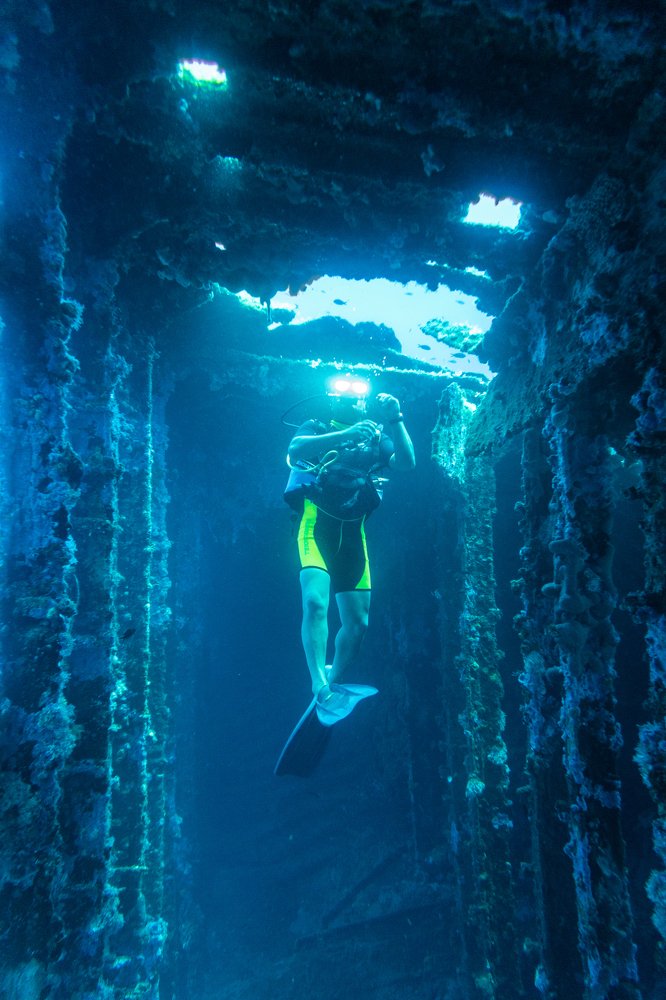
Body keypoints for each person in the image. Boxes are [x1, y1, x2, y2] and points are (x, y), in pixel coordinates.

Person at [284, 377, 415, 718]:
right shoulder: (317, 425)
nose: (352, 398)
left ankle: (333, 680)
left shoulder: (375, 437)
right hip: (316, 525)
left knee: (358, 624)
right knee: (315, 602)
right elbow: (295, 450)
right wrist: (344, 435)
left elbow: (406, 463)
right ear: (333, 397)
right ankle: (319, 685)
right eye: (344, 392)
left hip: (353, 533)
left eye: (358, 394)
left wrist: (395, 418)